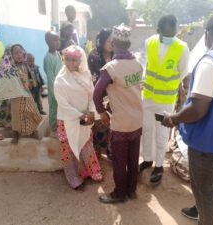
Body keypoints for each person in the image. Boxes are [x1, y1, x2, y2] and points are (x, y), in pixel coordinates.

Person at [161, 12, 213, 225]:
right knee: (211, 186)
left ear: (207, 35)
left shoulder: (212, 61)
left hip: (207, 145)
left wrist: (173, 118)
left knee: (205, 195)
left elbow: (198, 109)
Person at [94, 24, 143, 203]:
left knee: (119, 161)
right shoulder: (137, 64)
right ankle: (131, 190)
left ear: (113, 43)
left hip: (121, 122)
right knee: (133, 157)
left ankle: (119, 194)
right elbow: (129, 90)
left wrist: (102, 112)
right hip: (137, 119)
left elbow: (96, 93)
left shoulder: (111, 68)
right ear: (128, 43)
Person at [140, 15, 190, 184]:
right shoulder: (149, 42)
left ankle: (159, 165)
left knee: (161, 135)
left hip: (165, 101)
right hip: (148, 97)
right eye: (167, 34)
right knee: (146, 130)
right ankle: (147, 160)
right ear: (158, 31)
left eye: (173, 33)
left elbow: (182, 72)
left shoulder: (182, 48)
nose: (171, 37)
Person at [54, 45, 102, 190]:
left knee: (86, 145)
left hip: (85, 118)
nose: (71, 63)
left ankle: (93, 173)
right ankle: (74, 179)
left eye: (74, 60)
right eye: (68, 60)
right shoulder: (60, 80)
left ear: (80, 60)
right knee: (68, 150)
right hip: (67, 120)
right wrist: (81, 115)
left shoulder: (85, 75)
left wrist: (92, 113)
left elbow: (91, 95)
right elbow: (63, 104)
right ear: (64, 59)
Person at [0, 44, 43, 144]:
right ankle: (15, 134)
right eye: (16, 53)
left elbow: (27, 77)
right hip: (16, 96)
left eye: (20, 52)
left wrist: (30, 82)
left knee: (31, 111)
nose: (19, 55)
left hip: (26, 94)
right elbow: (2, 75)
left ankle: (31, 132)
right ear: (10, 55)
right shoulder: (10, 68)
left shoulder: (24, 65)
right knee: (17, 115)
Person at [88, 28, 113, 158]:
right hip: (99, 96)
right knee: (100, 124)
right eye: (108, 41)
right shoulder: (94, 56)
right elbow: (96, 79)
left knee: (111, 125)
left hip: (114, 96)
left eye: (112, 41)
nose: (111, 43)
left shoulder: (115, 54)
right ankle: (97, 151)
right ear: (102, 41)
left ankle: (109, 149)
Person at [43, 31, 63, 137]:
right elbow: (50, 79)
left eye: (58, 40)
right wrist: (55, 94)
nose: (58, 42)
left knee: (60, 108)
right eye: (54, 40)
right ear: (48, 42)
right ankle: (53, 129)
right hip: (53, 89)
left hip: (61, 87)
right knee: (53, 109)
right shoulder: (48, 58)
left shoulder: (58, 54)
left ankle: (59, 126)